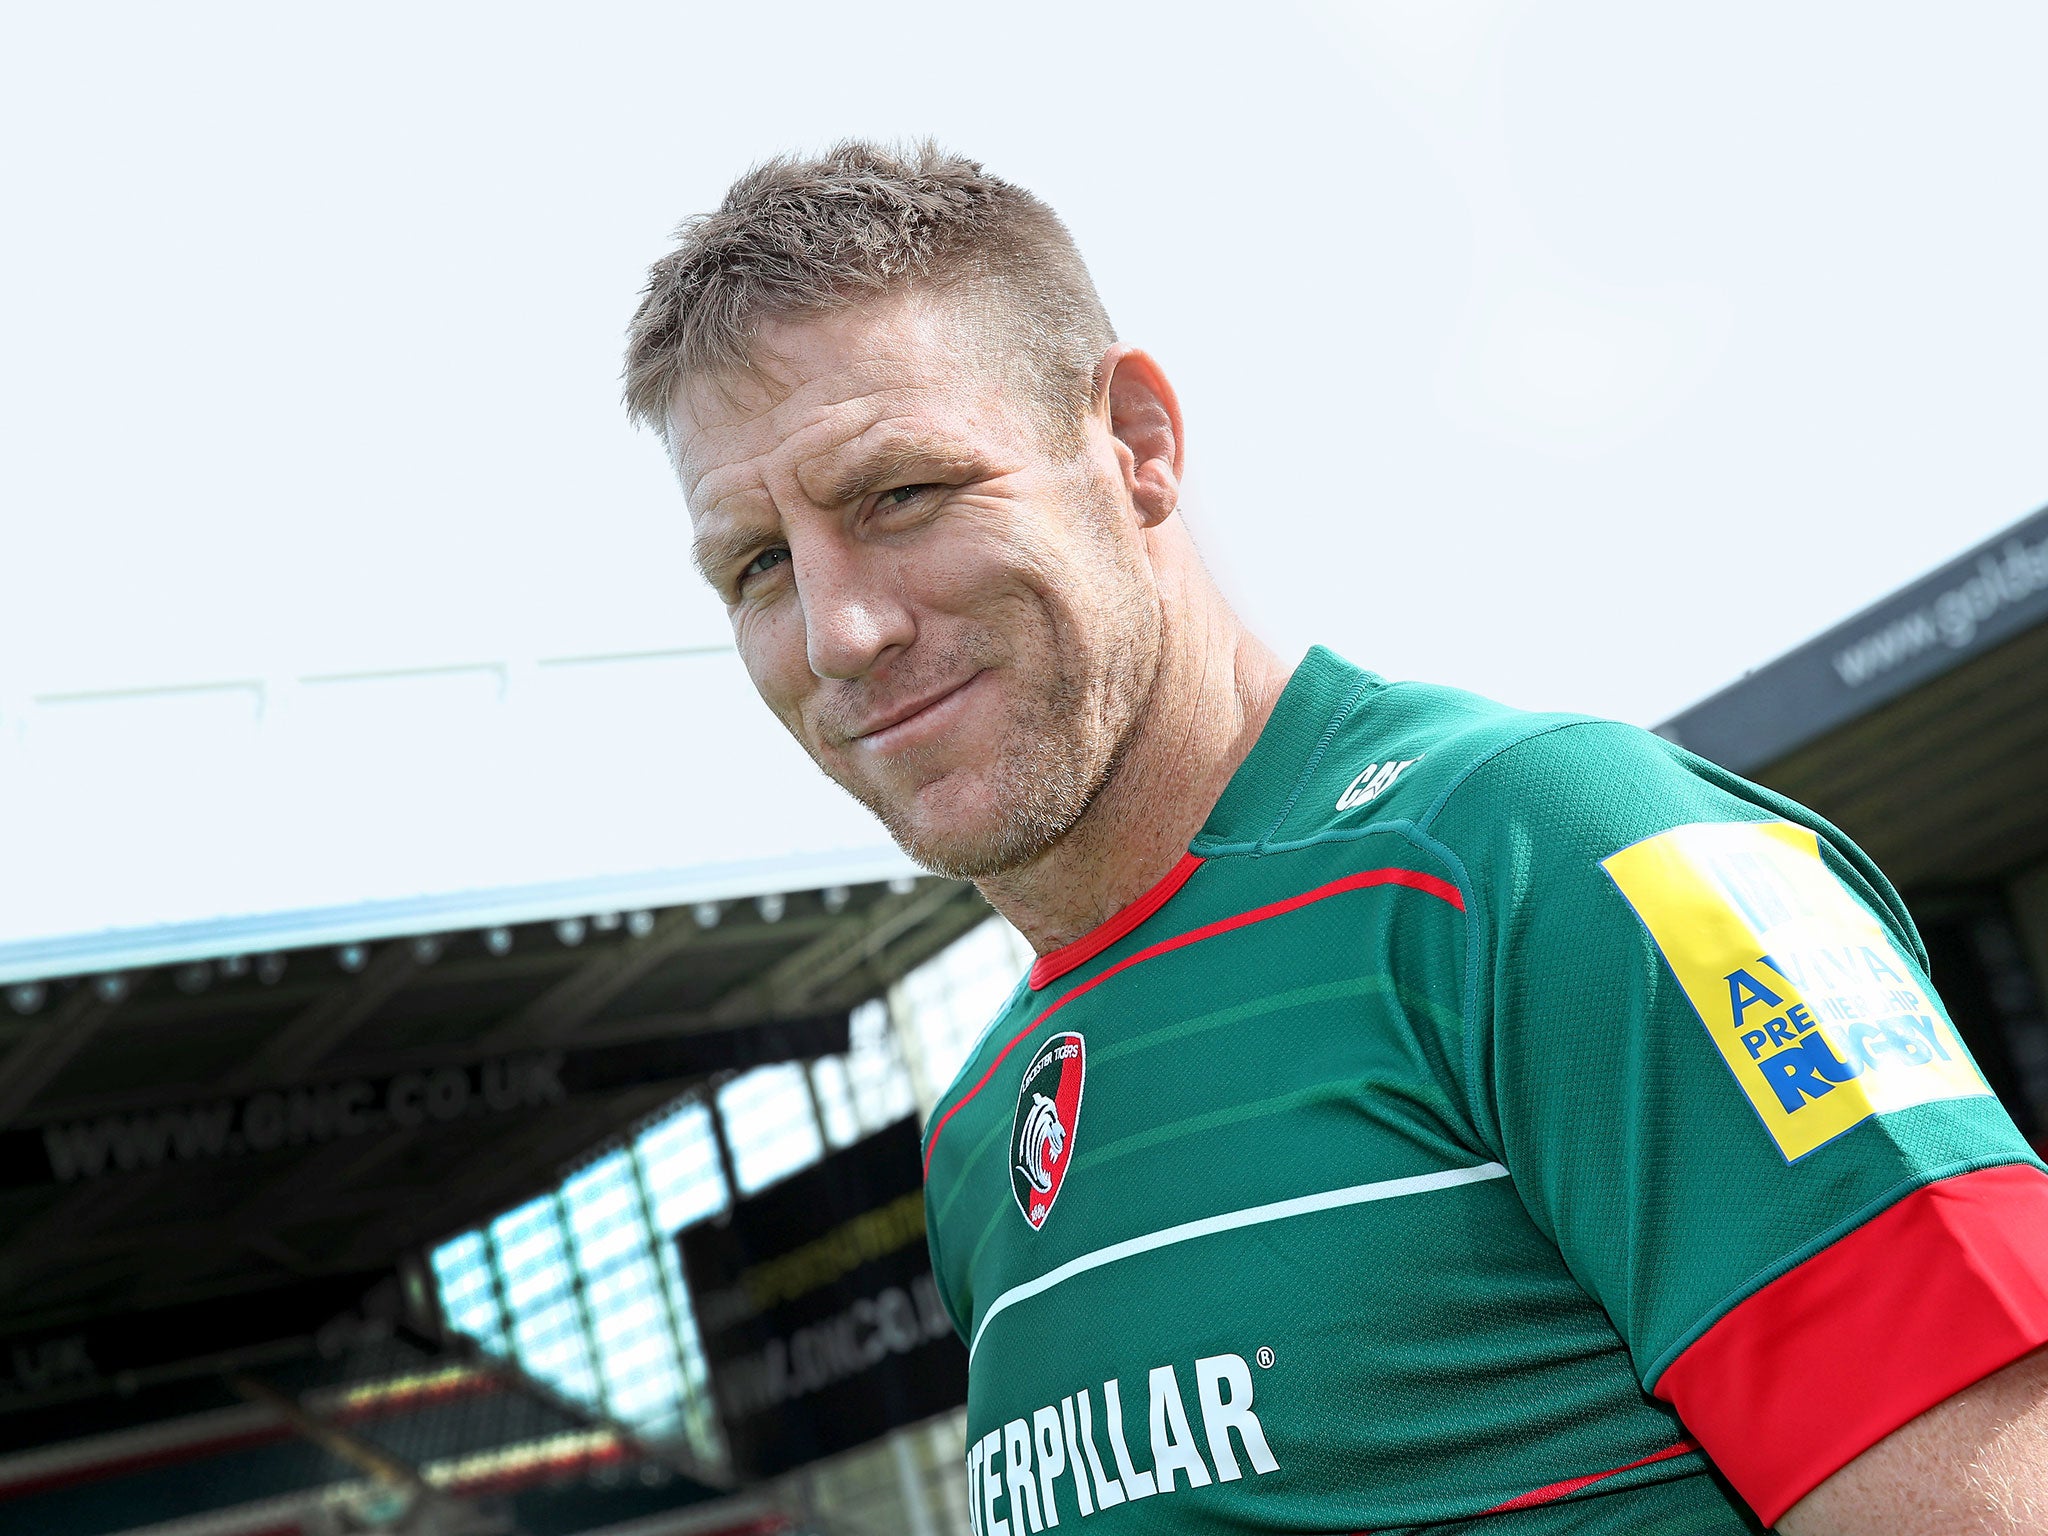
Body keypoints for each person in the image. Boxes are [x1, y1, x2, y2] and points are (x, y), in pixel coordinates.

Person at [623, 142, 2048, 1533]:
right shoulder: (983, 1131)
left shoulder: (1553, 864)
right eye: (759, 565)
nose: (841, 631)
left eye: (903, 495)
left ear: (1136, 445)